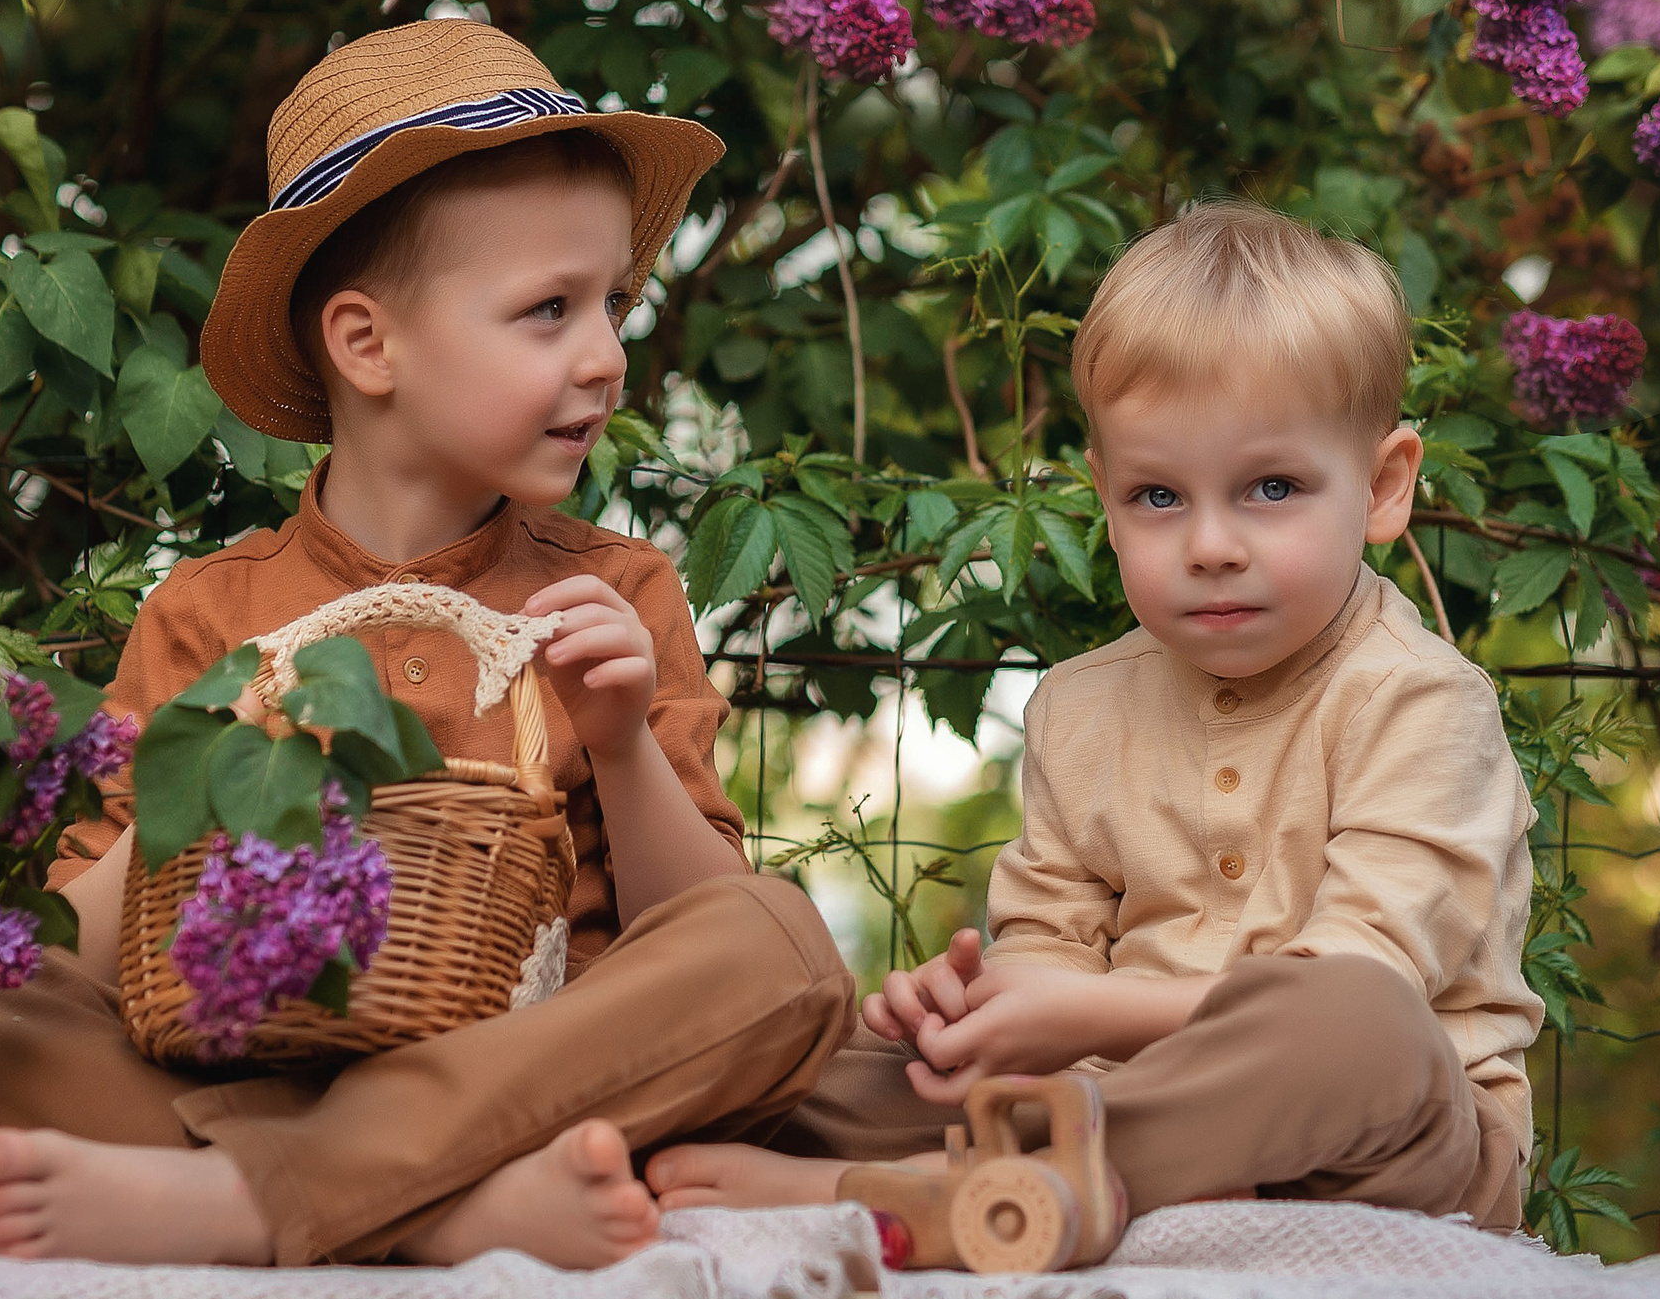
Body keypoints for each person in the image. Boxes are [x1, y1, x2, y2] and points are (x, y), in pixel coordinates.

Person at [0, 20, 856, 1270]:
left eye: (614, 303)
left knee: (776, 945)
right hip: (268, 1079)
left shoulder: (616, 592)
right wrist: (198, 774)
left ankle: (252, 1202)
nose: (607, 355)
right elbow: (88, 958)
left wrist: (619, 741)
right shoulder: (209, 615)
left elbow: (694, 926)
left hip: (540, 1081)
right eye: (549, 309)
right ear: (367, 343)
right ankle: (433, 1204)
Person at [646, 203, 1543, 1232]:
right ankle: (1036, 1172)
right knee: (819, 1046)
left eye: (1272, 486)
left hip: (1389, 1143)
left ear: (1382, 487)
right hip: (1105, 1099)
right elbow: (1049, 951)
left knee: (1363, 1022)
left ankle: (943, 1183)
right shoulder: (1079, 706)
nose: (1211, 545)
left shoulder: (1423, 702)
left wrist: (1080, 1012)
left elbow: (1365, 973)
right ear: (1104, 496)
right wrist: (986, 1013)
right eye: (1158, 496)